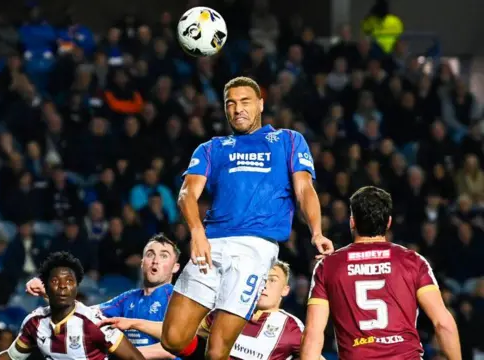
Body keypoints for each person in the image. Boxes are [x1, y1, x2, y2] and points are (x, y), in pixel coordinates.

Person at [160, 76, 334, 360]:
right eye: (231, 103)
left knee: (217, 352)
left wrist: (316, 232)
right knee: (173, 339)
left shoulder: (288, 140)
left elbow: (304, 190)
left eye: (245, 102)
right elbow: (186, 195)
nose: (237, 109)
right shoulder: (211, 148)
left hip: (254, 250)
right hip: (209, 245)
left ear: (261, 104)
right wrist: (197, 232)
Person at [301, 186, 462, 360]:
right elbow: (443, 324)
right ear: (389, 222)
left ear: (352, 222)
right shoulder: (413, 261)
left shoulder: (328, 266)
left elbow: (313, 334)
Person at [106, 261, 326, 360]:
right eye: (261, 279)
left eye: (272, 280)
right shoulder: (226, 313)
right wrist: (132, 323)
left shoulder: (292, 327)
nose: (264, 285)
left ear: (285, 290)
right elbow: (179, 337)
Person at [26, 234, 180, 359]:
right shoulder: (127, 299)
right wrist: (46, 290)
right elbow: (82, 315)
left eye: (164, 256)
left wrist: (123, 352)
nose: (155, 260)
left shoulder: (177, 300)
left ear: (175, 267)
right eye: (150, 254)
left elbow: (173, 347)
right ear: (142, 263)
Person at [0, 251, 145, 360]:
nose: (63, 286)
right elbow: (12, 356)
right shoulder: (34, 322)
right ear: (46, 287)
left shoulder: (94, 322)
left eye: (69, 281)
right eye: (56, 281)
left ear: (76, 288)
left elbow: (134, 357)